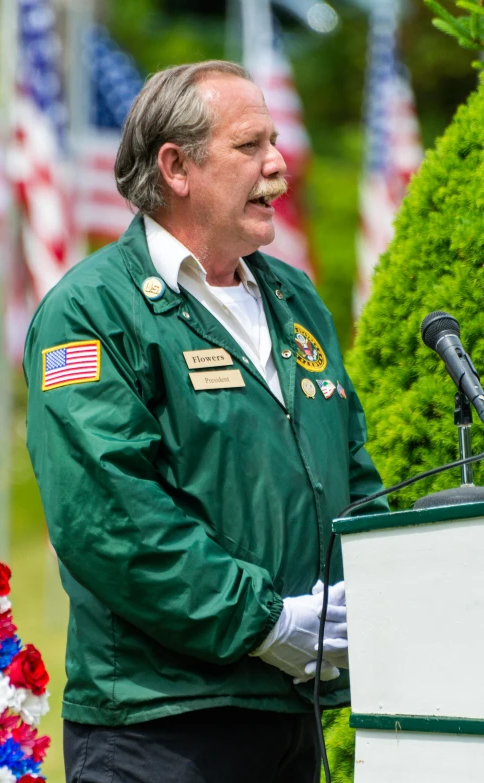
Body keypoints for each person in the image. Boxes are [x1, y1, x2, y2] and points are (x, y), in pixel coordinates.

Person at [23, 60, 388, 783]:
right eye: (249, 146)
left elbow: (352, 469)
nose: (278, 166)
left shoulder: (295, 298)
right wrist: (264, 623)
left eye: (274, 142)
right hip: (160, 724)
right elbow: (112, 518)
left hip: (291, 710)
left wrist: (375, 586)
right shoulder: (91, 311)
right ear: (176, 167)